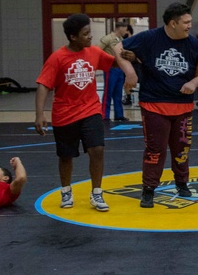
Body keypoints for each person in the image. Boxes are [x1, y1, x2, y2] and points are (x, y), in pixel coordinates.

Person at [35, 13, 138, 211]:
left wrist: (128, 57)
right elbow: (43, 85)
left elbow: (113, 63)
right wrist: (40, 114)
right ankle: (66, 190)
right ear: (73, 37)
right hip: (64, 113)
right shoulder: (57, 58)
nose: (90, 37)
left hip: (90, 110)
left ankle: (97, 193)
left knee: (97, 149)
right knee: (66, 156)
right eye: (86, 33)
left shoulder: (93, 52)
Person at [121, 3, 198, 207]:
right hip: (154, 104)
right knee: (155, 150)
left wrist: (194, 82)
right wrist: (130, 72)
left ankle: (182, 182)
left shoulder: (193, 43)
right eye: (186, 22)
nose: (189, 26)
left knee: (182, 149)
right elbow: (116, 46)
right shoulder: (149, 38)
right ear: (173, 23)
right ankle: (148, 189)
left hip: (182, 107)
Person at [99, 20, 132, 122]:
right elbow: (97, 50)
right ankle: (104, 115)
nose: (126, 32)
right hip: (110, 68)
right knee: (108, 92)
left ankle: (119, 115)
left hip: (120, 68)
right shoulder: (107, 39)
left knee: (118, 93)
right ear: (121, 28)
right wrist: (107, 60)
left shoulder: (121, 39)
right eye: (125, 29)